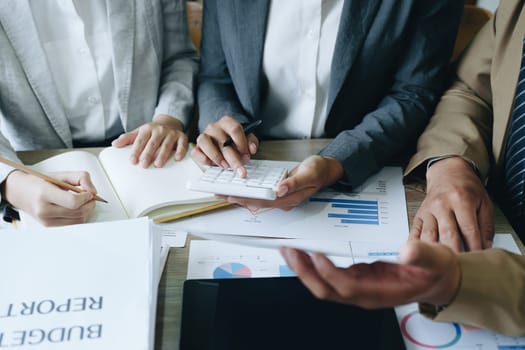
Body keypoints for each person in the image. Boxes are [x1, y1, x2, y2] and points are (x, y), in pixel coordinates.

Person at [282, 0, 525, 336]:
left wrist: (460, 282)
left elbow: (413, 92)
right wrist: (452, 162)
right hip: (497, 217)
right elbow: (470, 89)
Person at [192, 1, 462, 211]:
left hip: (367, 165)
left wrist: (337, 161)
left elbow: (413, 92)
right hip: (250, 167)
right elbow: (216, 77)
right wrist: (227, 126)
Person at [0, 0, 198, 226]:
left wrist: (168, 118)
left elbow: (178, 58)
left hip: (146, 154)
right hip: (34, 163)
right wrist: (11, 184)